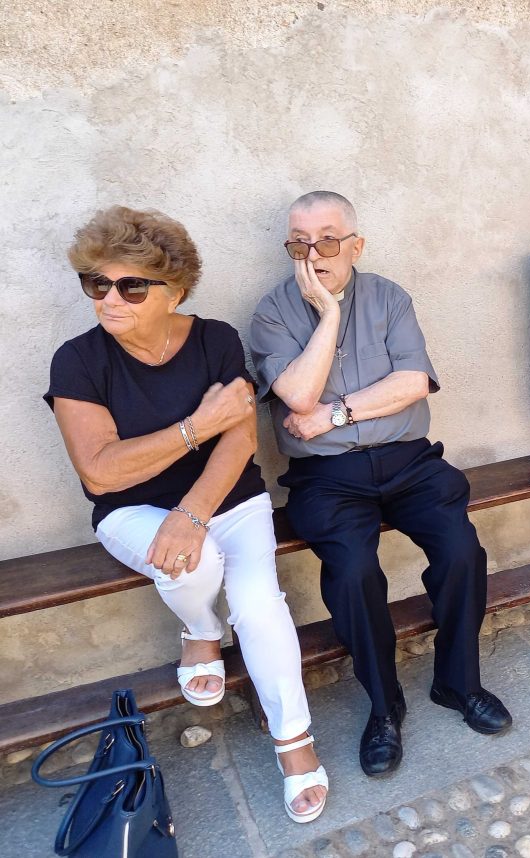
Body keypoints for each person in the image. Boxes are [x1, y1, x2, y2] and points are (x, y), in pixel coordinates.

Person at [45, 206, 328, 824]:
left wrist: (194, 512)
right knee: (188, 562)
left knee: (257, 603)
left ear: (173, 291)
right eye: (97, 282)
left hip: (230, 498)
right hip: (131, 509)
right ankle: (199, 628)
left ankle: (294, 740)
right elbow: (100, 472)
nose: (108, 299)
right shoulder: (78, 361)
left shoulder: (214, 339)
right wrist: (196, 425)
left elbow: (241, 438)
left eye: (130, 286)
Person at [249, 191, 512, 778]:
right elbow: (297, 396)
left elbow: (413, 382)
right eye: (299, 243)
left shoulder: (390, 298)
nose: (312, 255)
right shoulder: (272, 312)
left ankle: (457, 682)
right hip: (327, 478)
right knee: (353, 572)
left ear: (357, 245)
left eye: (327, 241)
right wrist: (329, 315)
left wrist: (335, 414)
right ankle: (384, 704)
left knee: (461, 550)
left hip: (409, 462)